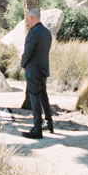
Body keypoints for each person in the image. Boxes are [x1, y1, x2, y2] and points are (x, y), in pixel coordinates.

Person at [20, 9, 54, 139]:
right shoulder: (47, 32)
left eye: (28, 19)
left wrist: (23, 64)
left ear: (31, 18)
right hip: (43, 69)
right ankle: (49, 123)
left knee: (35, 98)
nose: (28, 22)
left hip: (33, 70)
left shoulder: (33, 33)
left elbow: (28, 52)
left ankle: (37, 129)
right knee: (44, 96)